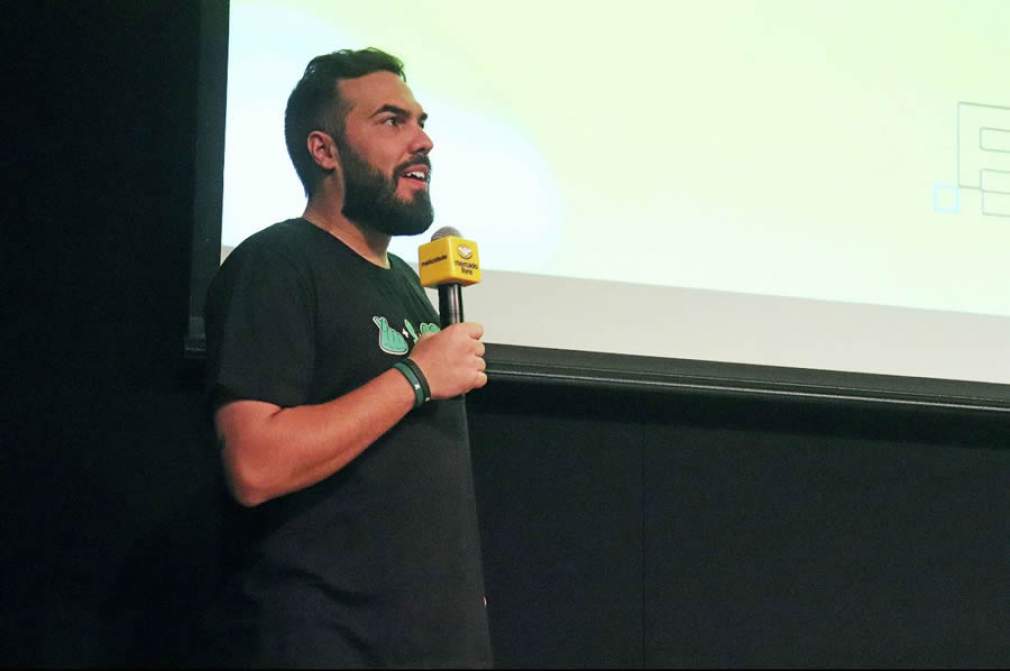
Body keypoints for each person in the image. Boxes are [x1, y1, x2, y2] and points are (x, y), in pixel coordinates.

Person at [199, 48, 493, 668]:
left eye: (421, 122)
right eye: (392, 121)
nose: (423, 141)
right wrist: (416, 376)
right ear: (324, 150)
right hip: (328, 641)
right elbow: (254, 464)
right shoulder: (277, 263)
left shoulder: (408, 284)